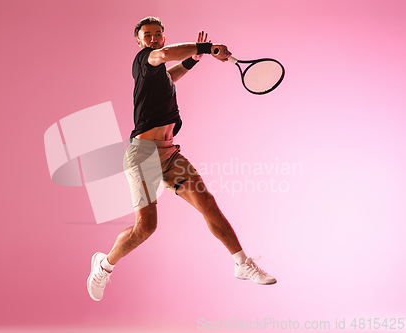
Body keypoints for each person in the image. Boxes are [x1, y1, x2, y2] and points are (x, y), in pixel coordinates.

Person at [87, 16, 276, 301]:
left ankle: (241, 263)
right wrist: (207, 46)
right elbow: (163, 56)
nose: (153, 38)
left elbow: (170, 75)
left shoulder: (159, 74)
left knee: (207, 202)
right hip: (142, 155)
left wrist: (195, 59)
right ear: (139, 41)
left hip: (169, 153)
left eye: (158, 34)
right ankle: (104, 265)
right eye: (147, 35)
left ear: (164, 35)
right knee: (146, 228)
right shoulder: (145, 59)